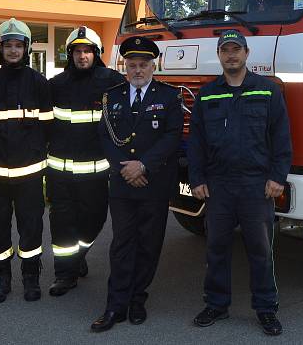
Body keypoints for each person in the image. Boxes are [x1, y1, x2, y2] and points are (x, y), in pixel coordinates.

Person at [187, 29, 292, 336]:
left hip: (256, 185)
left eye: (236, 49)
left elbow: (282, 138)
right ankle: (216, 304)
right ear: (219, 55)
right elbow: (196, 143)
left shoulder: (267, 91)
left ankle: (266, 309)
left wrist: (277, 177)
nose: (231, 55)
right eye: (225, 50)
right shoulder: (207, 95)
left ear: (247, 54)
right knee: (216, 247)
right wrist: (197, 179)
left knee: (260, 249)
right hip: (219, 185)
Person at [91, 35, 183, 332]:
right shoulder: (111, 97)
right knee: (121, 244)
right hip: (122, 183)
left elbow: (172, 136)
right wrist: (126, 169)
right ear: (124, 66)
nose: (138, 70)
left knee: (149, 244)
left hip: (154, 183)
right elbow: (105, 137)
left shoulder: (169, 97)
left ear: (153, 67)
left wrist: (143, 165)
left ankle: (137, 299)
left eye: (143, 64)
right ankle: (115, 305)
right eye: (132, 65)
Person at [0, 18, 52, 303]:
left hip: (30, 172)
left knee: (31, 225)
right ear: (0, 48)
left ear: (27, 49)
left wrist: (32, 152)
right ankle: (1, 278)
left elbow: (47, 125)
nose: (13, 50)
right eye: (8, 45)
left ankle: (31, 277)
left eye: (18, 45)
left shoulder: (39, 84)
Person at [46, 26, 122, 296]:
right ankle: (64, 274)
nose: (82, 56)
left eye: (87, 50)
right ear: (70, 54)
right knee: (62, 223)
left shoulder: (113, 82)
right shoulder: (55, 85)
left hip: (96, 173)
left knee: (95, 219)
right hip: (60, 172)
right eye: (77, 51)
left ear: (96, 53)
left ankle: (77, 257)